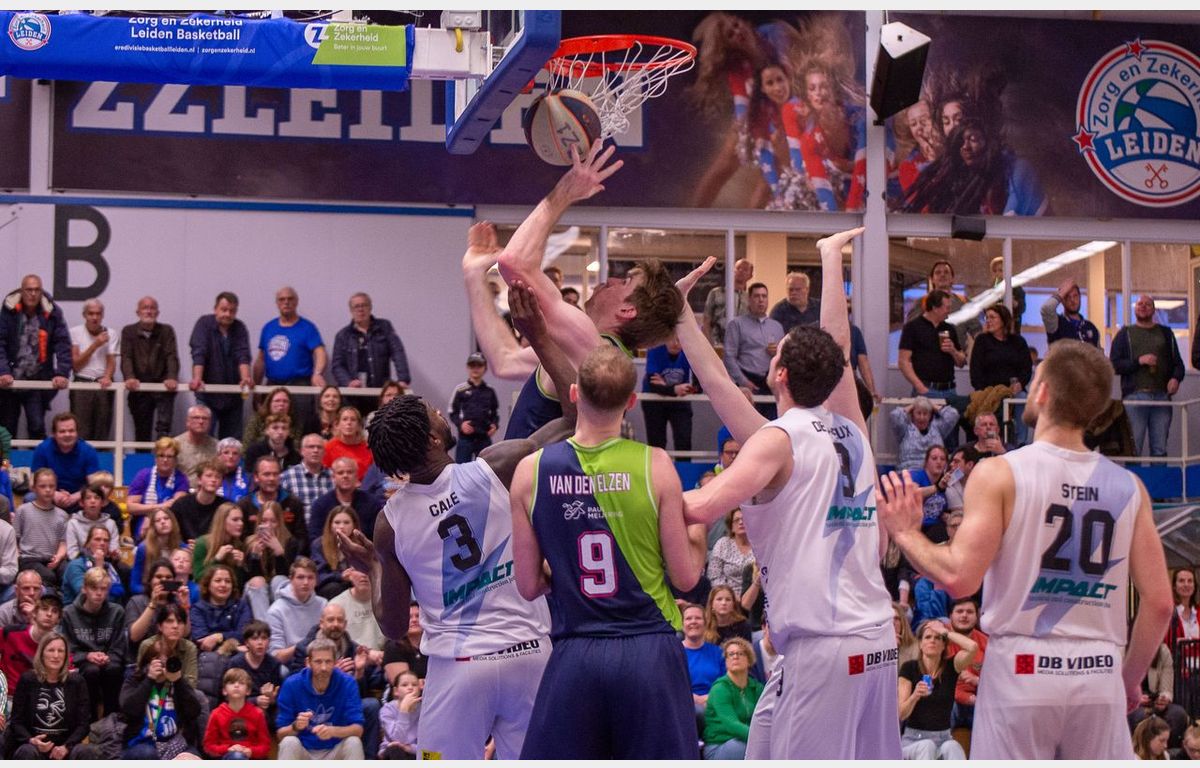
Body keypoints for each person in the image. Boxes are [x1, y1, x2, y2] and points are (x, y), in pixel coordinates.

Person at [877, 339, 1174, 759]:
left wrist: (906, 533)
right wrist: (1128, 679)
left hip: (1023, 666)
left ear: (1043, 391)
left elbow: (959, 577)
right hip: (1099, 669)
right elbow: (1160, 603)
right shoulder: (1130, 487)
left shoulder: (1001, 473)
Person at [675, 228, 901, 759]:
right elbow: (726, 383)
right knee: (762, 749)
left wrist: (626, 488)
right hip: (871, 641)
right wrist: (831, 257)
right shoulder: (853, 430)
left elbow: (699, 506)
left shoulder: (778, 442)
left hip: (827, 646)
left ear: (777, 373)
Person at [335, 281, 571, 760]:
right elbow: (579, 413)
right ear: (431, 439)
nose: (441, 411)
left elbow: (395, 624)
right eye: (432, 412)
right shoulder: (497, 466)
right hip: (529, 653)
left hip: (458, 668)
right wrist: (539, 337)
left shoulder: (390, 522)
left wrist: (374, 565)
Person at [510, 344, 703, 759]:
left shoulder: (530, 471)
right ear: (631, 402)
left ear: (574, 393)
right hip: (648, 648)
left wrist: (564, 570)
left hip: (576, 650)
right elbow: (686, 577)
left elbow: (527, 585)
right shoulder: (656, 464)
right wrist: (699, 534)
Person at [481, 146, 683, 440]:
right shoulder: (597, 352)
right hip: (527, 469)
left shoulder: (589, 340)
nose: (612, 280)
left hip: (531, 470)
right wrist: (474, 275)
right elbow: (504, 361)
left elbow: (514, 263)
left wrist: (565, 192)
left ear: (627, 310)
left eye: (625, 281)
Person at [120, 603, 204, 759]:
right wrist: (149, 679)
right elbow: (129, 711)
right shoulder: (135, 680)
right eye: (159, 660)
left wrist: (178, 681)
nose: (175, 626)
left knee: (190, 759)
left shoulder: (177, 683)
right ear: (149, 661)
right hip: (141, 743)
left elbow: (194, 712)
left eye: (168, 660)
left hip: (174, 742)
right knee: (147, 753)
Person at [1111, 294, 1185, 460]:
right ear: (1135, 309)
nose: (1143, 306)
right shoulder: (1125, 334)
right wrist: (1139, 361)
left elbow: (1178, 364)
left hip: (1161, 397)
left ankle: (1159, 478)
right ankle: (1133, 478)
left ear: (1154, 310)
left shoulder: (1166, 333)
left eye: (1147, 304)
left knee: (1160, 450)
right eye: (1140, 304)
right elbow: (1114, 364)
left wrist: (1175, 378)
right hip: (1134, 398)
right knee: (1133, 450)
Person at [0, 274, 71, 441]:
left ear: (41, 291)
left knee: (37, 425)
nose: (32, 294)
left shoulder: (51, 312)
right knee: (7, 429)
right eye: (29, 290)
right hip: (9, 382)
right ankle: (7, 459)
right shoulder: (9, 310)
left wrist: (62, 373)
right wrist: (3, 371)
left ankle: (39, 459)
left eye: (37, 290)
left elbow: (63, 343)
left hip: (37, 380)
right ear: (21, 291)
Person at [897, 618, 979, 759]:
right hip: (913, 740)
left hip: (944, 738)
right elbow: (901, 714)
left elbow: (972, 647)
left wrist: (945, 631)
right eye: (928, 637)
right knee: (927, 746)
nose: (932, 641)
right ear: (920, 644)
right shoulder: (909, 668)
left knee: (952, 747)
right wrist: (915, 696)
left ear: (944, 645)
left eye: (938, 637)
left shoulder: (952, 666)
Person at [5, 632, 95, 759]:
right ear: (42, 653)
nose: (56, 655)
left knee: (85, 751)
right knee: (26, 751)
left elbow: (83, 724)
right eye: (51, 650)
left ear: (66, 655)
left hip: (66, 747)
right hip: (34, 746)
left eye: (61, 651)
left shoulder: (77, 682)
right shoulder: (27, 680)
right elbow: (16, 721)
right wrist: (31, 740)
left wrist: (66, 747)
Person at [275, 638, 365, 760]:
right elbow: (281, 734)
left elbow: (358, 730)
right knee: (288, 742)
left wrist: (333, 731)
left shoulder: (348, 683)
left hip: (335, 749)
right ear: (308, 662)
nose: (323, 667)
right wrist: (295, 726)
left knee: (353, 742)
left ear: (335, 662)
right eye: (318, 662)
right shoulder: (291, 684)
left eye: (328, 662)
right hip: (304, 750)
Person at [60, 565, 126, 720]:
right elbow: (68, 649)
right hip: (83, 661)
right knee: (91, 671)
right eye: (94, 588)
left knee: (114, 669)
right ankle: (89, 719)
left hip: (109, 659)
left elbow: (119, 646)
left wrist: (108, 657)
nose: (99, 593)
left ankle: (111, 718)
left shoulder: (117, 612)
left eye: (103, 589)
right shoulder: (69, 613)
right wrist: (86, 656)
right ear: (84, 589)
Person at [189, 291, 255, 440]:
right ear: (215, 309)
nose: (227, 314)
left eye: (232, 311)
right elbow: (199, 352)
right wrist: (197, 378)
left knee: (232, 442)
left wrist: (245, 378)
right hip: (207, 394)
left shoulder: (239, 327)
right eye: (224, 310)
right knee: (204, 438)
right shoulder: (204, 324)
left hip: (233, 396)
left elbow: (243, 355)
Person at [120, 295, 180, 442]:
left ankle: (164, 456)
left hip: (163, 387)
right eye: (145, 308)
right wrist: (129, 377)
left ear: (157, 313)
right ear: (138, 312)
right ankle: (142, 458)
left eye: (152, 308)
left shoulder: (166, 331)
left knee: (164, 430)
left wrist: (172, 377)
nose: (148, 311)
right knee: (141, 432)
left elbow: (171, 356)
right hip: (139, 388)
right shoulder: (129, 331)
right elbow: (126, 357)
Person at [723, 282, 785, 419]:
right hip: (746, 382)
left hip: (770, 384)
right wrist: (743, 381)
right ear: (749, 300)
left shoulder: (777, 327)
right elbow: (729, 356)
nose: (761, 300)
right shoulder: (737, 325)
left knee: (770, 423)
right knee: (746, 423)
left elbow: (784, 359)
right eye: (757, 296)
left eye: (764, 296)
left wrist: (777, 353)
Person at [330, 292, 411, 394]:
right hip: (354, 393)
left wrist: (403, 379)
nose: (360, 309)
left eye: (364, 305)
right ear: (351, 310)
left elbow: (398, 353)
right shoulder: (343, 335)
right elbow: (337, 365)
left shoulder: (384, 327)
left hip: (381, 392)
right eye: (356, 306)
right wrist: (348, 382)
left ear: (370, 307)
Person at [254, 286, 327, 395]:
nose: (286, 302)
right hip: (272, 385)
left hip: (300, 386)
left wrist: (317, 373)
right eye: (282, 299)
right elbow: (260, 360)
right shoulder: (268, 328)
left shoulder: (307, 327)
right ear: (277, 303)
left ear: (296, 302)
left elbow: (320, 352)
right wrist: (256, 388)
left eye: (290, 299)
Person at [703, 637, 765, 760]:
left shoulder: (757, 688)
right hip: (719, 747)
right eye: (731, 654)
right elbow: (732, 724)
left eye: (740, 653)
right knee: (743, 747)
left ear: (749, 660)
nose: (735, 657)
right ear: (726, 661)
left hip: (748, 741)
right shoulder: (720, 689)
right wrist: (763, 738)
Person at [899, 290, 966, 401]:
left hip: (950, 390)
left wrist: (953, 351)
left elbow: (961, 363)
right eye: (947, 307)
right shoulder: (912, 328)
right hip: (926, 389)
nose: (949, 311)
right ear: (935, 308)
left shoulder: (949, 328)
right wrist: (919, 386)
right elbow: (903, 361)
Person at [237, 454, 308, 555]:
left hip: (287, 556)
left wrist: (286, 553)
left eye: (275, 474)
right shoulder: (244, 505)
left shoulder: (293, 503)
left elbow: (301, 538)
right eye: (266, 474)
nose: (272, 478)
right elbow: (240, 539)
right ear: (256, 477)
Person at [68, 298, 117, 441]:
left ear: (103, 315)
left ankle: (100, 456)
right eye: (91, 314)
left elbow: (111, 360)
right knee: (81, 430)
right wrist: (95, 345)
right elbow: (76, 365)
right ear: (84, 315)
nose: (95, 317)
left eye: (98, 314)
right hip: (81, 382)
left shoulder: (111, 333)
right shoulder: (75, 332)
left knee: (102, 429)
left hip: (103, 384)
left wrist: (107, 376)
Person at [30, 412, 100, 508]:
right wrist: (54, 494)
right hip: (50, 496)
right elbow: (32, 483)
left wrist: (75, 497)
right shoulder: (42, 449)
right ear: (54, 434)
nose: (67, 434)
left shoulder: (88, 451)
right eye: (62, 431)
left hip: (79, 499)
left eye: (71, 431)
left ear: (77, 433)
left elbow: (95, 485)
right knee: (30, 497)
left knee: (98, 499)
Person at [12, 469, 69, 588]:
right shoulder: (23, 511)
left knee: (67, 573)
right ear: (34, 488)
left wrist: (58, 557)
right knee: (48, 576)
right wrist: (17, 558)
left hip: (53, 558)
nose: (48, 490)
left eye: (51, 486)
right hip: (29, 559)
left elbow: (63, 542)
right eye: (42, 486)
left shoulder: (62, 515)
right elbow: (14, 539)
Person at [243, 502, 300, 618]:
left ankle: (279, 621)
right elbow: (251, 577)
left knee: (278, 580)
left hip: (278, 589)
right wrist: (255, 557)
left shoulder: (290, 542)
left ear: (279, 522)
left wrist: (279, 553)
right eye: (264, 521)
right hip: (256, 593)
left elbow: (289, 577)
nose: (268, 525)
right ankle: (264, 627)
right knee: (258, 581)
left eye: (273, 521)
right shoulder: (249, 542)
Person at [125, 436, 190, 539]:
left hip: (170, 532)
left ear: (175, 459)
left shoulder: (181, 479)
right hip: (144, 531)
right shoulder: (143, 475)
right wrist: (160, 507)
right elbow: (131, 507)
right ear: (155, 458)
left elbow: (176, 506)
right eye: (161, 455)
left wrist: (151, 516)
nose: (165, 460)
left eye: (169, 456)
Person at [266, 558, 327, 665]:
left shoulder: (323, 605)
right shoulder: (276, 611)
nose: (306, 582)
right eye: (300, 577)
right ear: (291, 579)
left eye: (310, 578)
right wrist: (302, 645)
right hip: (291, 663)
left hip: (321, 660)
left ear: (316, 581)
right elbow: (275, 656)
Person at [203, 667, 272, 759]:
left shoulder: (257, 713)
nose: (236, 685)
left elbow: (265, 745)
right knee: (237, 756)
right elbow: (208, 746)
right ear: (224, 690)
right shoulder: (216, 714)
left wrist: (251, 751)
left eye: (241, 683)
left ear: (248, 691)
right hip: (226, 757)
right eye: (232, 683)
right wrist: (227, 749)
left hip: (251, 758)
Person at [969, 303, 1032, 404]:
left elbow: (1026, 368)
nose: (988, 321)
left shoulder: (1018, 341)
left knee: (1022, 398)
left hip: (1013, 391)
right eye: (986, 318)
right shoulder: (982, 341)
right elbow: (975, 371)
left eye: (992, 317)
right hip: (988, 392)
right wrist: (984, 392)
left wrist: (1020, 383)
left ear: (1003, 320)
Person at [641, 335, 695, 452]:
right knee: (657, 443)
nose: (675, 343)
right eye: (671, 339)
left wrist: (666, 387)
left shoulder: (691, 350)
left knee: (684, 441)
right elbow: (653, 384)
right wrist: (674, 389)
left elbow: (698, 387)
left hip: (680, 400)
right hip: (654, 401)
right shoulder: (655, 348)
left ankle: (683, 465)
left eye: (679, 339)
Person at [227, 620, 285, 720]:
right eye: (254, 638)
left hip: (267, 709)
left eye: (264, 638)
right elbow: (229, 696)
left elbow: (278, 696)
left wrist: (271, 698)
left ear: (269, 642)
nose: (260, 643)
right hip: (241, 706)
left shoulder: (274, 664)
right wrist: (255, 700)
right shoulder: (235, 663)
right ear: (246, 643)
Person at [448, 352, 500, 463]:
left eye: (479, 365)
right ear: (467, 367)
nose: (475, 369)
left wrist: (494, 425)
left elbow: (495, 413)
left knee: (486, 468)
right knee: (462, 469)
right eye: (472, 365)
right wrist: (461, 424)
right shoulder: (460, 389)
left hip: (484, 438)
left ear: (485, 368)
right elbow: (452, 411)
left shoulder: (489, 391)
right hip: (465, 439)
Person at [191, 563, 252, 652]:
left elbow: (245, 634)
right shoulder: (198, 609)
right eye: (218, 580)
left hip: (240, 653)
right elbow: (203, 641)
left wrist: (219, 636)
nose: (223, 585)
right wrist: (233, 648)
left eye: (228, 581)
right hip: (210, 654)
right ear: (208, 585)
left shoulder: (241, 605)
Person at [61, 522, 124, 604]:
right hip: (80, 610)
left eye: (106, 540)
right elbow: (86, 596)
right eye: (97, 539)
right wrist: (99, 568)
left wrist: (115, 563)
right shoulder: (75, 565)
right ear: (88, 544)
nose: (102, 543)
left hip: (109, 609)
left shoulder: (110, 566)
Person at [891, 396, 960, 471]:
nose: (922, 417)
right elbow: (895, 415)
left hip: (934, 473)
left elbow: (953, 414)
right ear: (912, 415)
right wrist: (913, 405)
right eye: (918, 413)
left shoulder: (938, 428)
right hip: (910, 472)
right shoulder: (905, 430)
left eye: (925, 414)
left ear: (930, 415)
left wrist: (932, 405)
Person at [681, 603, 725, 719]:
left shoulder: (718, 652)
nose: (693, 621)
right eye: (688, 618)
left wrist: (709, 697)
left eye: (698, 618)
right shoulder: (674, 653)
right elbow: (671, 685)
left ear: (705, 624)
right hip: (683, 706)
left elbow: (725, 682)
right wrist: (692, 698)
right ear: (682, 625)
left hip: (716, 703)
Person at [130, 507, 182, 595]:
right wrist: (153, 591)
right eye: (158, 520)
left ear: (173, 522)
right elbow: (134, 585)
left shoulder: (181, 546)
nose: (163, 522)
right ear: (153, 526)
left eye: (166, 518)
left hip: (174, 592)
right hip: (149, 592)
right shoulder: (143, 548)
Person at [704, 258, 755, 346]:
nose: (740, 271)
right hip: (718, 343)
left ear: (750, 276)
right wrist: (710, 344)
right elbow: (706, 321)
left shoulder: (750, 299)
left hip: (740, 345)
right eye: (738, 268)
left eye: (745, 269)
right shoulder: (716, 293)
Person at [707, 509, 755, 597]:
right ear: (731, 526)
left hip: (755, 596)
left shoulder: (759, 545)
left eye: (744, 519)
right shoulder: (723, 544)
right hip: (727, 598)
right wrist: (731, 597)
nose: (741, 522)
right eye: (737, 520)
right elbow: (714, 576)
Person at [313, 506, 358, 599]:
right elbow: (318, 575)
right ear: (330, 525)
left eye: (346, 522)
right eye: (337, 522)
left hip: (355, 584)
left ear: (354, 525)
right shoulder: (319, 545)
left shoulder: (361, 545)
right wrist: (340, 576)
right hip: (330, 587)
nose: (341, 526)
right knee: (334, 587)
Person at [1041, 276, 1100, 347]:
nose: (1072, 300)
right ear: (1062, 300)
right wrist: (1061, 293)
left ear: (1080, 297)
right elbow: (1046, 308)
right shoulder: (1056, 323)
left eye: (1075, 296)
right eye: (1067, 297)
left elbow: (1098, 352)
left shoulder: (1090, 327)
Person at [280, 433, 333, 512]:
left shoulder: (334, 477)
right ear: (301, 451)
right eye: (311, 447)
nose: (315, 450)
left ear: (325, 452)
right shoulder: (287, 477)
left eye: (319, 447)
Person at [378, 669, 422, 759]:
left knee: (435, 756)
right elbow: (397, 739)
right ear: (396, 691)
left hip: (416, 751)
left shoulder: (425, 709)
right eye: (404, 685)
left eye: (414, 685)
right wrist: (404, 711)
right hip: (394, 751)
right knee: (395, 750)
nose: (410, 688)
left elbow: (431, 744)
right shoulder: (387, 709)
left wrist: (410, 748)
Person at [322, 406, 372, 481]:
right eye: (345, 419)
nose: (349, 423)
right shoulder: (328, 448)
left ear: (359, 426)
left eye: (353, 420)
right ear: (337, 425)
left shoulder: (368, 449)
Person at [174, 404, 218, 484]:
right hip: (181, 489)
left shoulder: (217, 446)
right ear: (188, 422)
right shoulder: (175, 445)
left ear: (210, 423)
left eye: (205, 418)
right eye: (196, 418)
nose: (201, 421)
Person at [216, 437, 250, 503]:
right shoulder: (210, 476)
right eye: (226, 453)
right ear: (218, 456)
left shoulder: (249, 479)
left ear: (240, 457)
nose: (231, 456)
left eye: (235, 453)